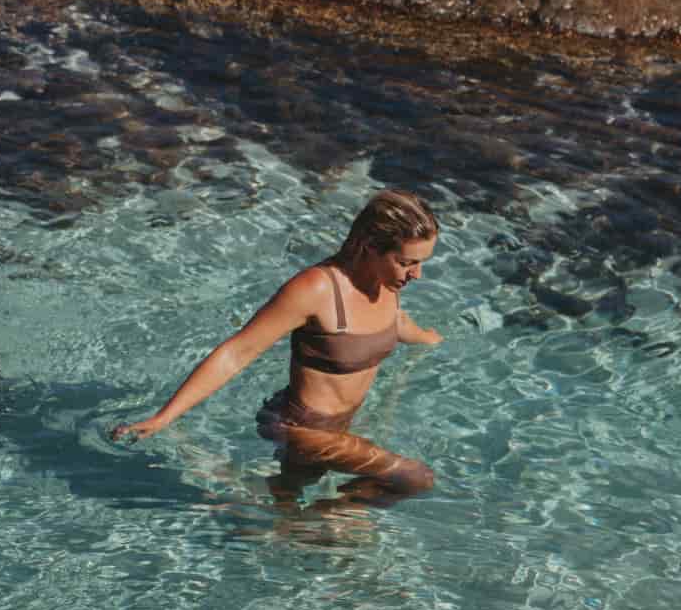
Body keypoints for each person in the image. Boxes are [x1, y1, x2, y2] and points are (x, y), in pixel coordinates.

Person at [110, 189, 442, 505]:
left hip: (343, 425)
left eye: (421, 262)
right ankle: (330, 516)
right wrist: (164, 418)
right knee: (414, 477)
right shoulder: (316, 289)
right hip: (303, 429)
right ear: (370, 245)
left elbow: (393, 323)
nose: (418, 274)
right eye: (407, 262)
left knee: (286, 497)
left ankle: (273, 517)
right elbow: (237, 352)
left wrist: (429, 339)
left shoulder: (387, 282)